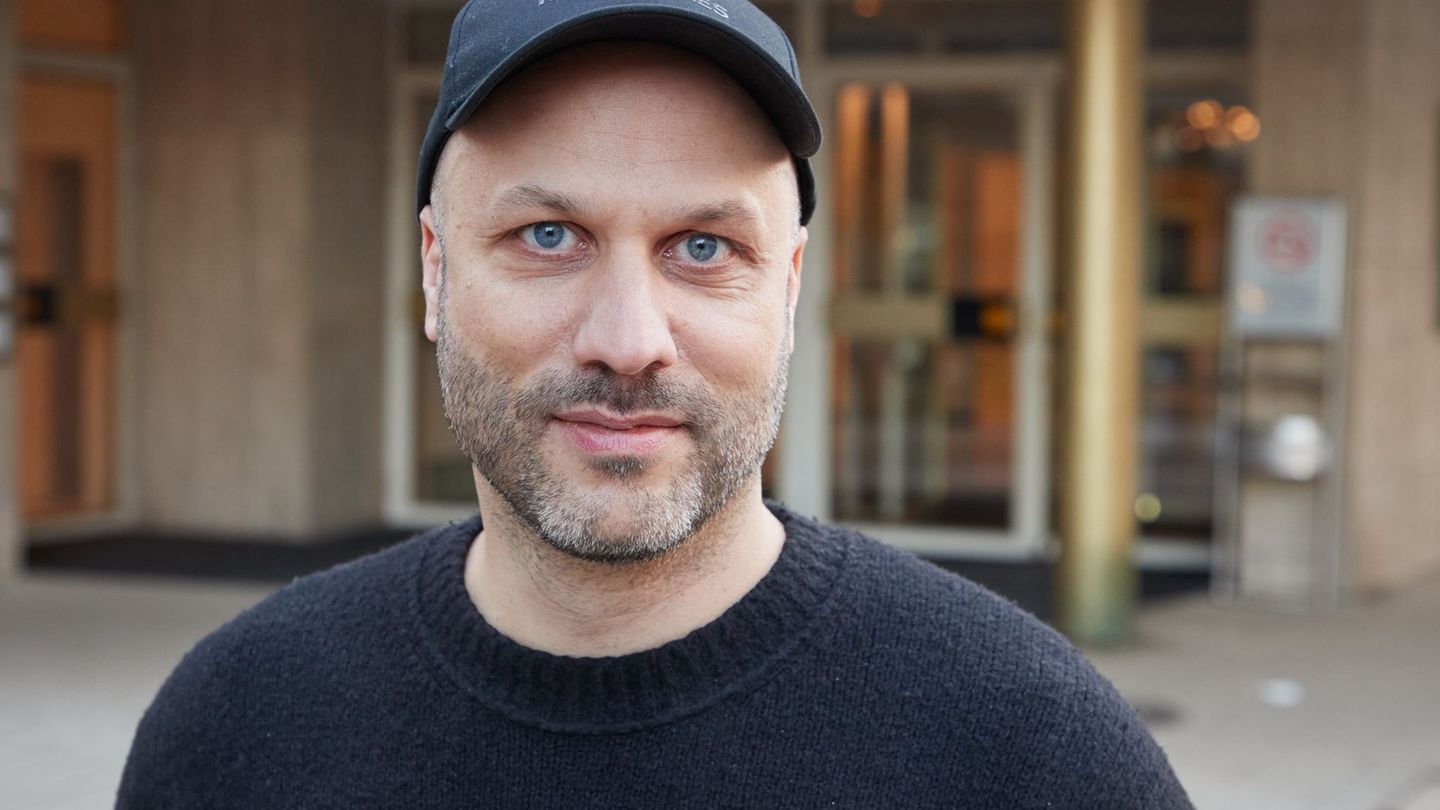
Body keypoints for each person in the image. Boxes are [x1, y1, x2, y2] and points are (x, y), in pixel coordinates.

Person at [118, 0, 1192, 806]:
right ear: (436, 273)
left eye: (704, 247)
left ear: (790, 287)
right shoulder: (239, 724)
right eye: (548, 237)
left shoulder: (1027, 751)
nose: (629, 341)